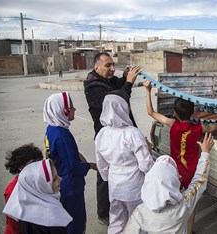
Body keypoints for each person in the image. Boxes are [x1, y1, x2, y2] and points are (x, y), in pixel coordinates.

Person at [145, 80, 217, 233]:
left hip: (174, 173)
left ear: (175, 113)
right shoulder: (199, 128)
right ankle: (189, 231)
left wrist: (147, 91)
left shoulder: (171, 123)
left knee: (173, 202)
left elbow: (151, 112)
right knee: (190, 204)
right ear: (193, 112)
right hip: (191, 174)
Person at [84, 52, 141, 225]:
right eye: (107, 65)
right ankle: (104, 213)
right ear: (96, 67)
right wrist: (129, 82)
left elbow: (118, 85)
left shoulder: (108, 80)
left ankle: (121, 204)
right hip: (106, 135)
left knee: (123, 167)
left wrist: (124, 77)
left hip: (120, 132)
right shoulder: (93, 86)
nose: (111, 69)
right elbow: (115, 100)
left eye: (112, 65)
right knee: (105, 173)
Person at [123, 132, 214, 234]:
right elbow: (199, 181)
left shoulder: (140, 213)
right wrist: (205, 153)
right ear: (174, 182)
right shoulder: (184, 205)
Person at [95, 94, 154, 234]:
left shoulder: (102, 134)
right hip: (133, 184)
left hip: (114, 183)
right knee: (137, 219)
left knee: (116, 219)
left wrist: (107, 177)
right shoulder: (133, 133)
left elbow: (101, 163)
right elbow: (145, 164)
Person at [43, 92, 97, 234]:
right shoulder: (62, 135)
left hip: (61, 182)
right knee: (75, 222)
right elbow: (72, 166)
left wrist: (77, 154)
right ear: (63, 110)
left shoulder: (52, 128)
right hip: (70, 186)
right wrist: (90, 165)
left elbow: (60, 154)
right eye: (71, 107)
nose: (74, 110)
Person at [3, 159, 72, 234]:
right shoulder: (52, 217)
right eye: (54, 179)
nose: (60, 179)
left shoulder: (22, 209)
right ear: (40, 186)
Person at [3, 143, 43, 234]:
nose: (38, 166)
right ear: (20, 167)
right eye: (33, 163)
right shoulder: (12, 191)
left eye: (39, 161)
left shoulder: (40, 180)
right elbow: (14, 223)